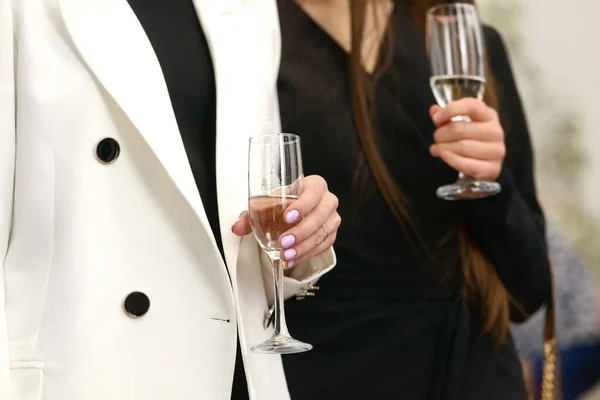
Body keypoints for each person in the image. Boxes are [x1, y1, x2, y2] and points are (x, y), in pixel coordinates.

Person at [0, 1, 339, 399]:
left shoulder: (252, 8)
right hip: (93, 371)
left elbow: (243, 228)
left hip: (238, 374)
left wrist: (300, 238)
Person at [270, 1, 551, 399]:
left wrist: (489, 180)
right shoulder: (249, 42)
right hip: (323, 372)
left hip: (472, 378)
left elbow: (530, 289)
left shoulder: (469, 44)